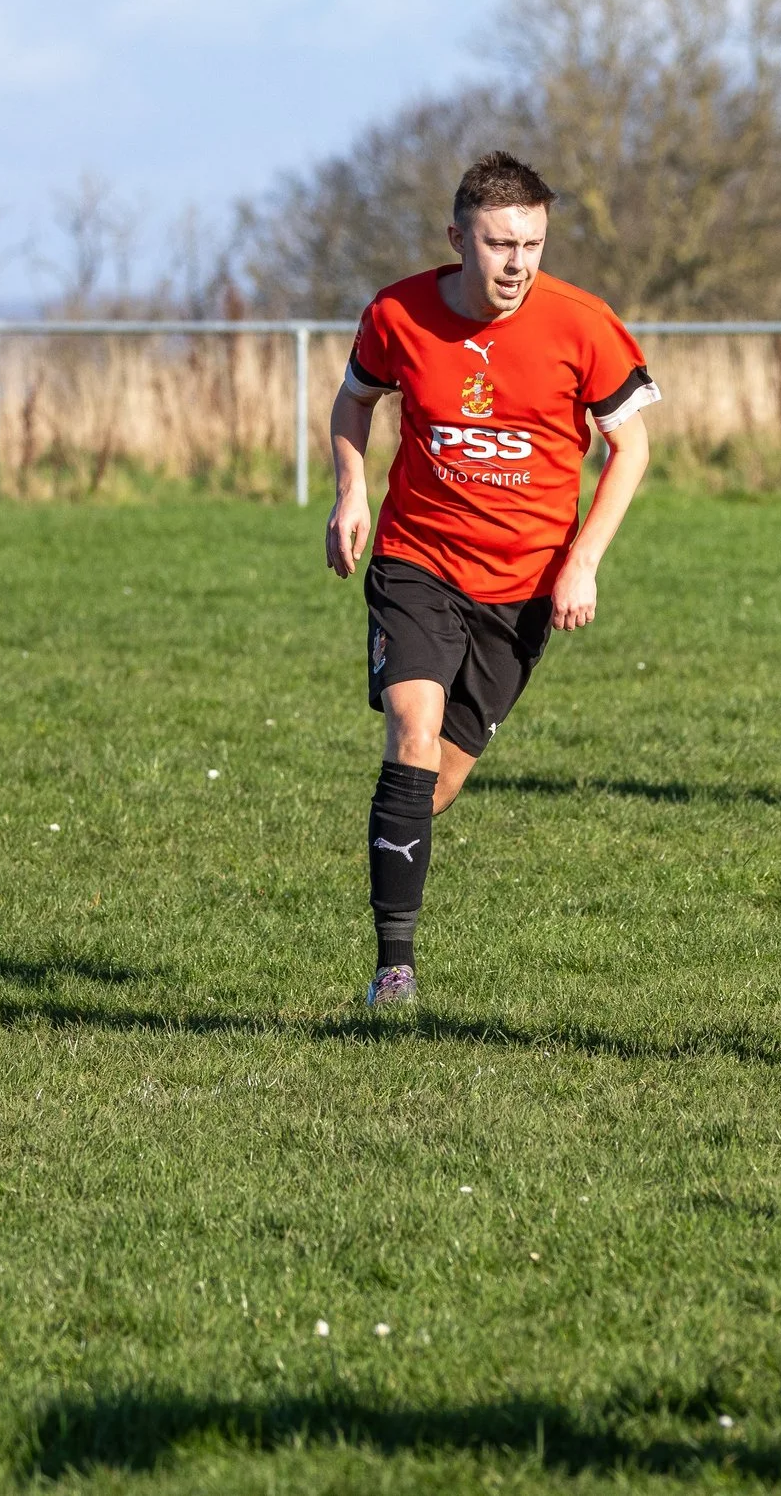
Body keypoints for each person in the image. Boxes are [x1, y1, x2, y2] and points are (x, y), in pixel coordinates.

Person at [326, 151, 659, 1007]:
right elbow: (354, 400)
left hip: (523, 589)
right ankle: (392, 966)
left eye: (533, 244)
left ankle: (393, 835)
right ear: (457, 238)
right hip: (417, 560)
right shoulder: (398, 312)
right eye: (500, 243)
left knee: (434, 781)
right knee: (411, 726)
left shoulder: (581, 323)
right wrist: (350, 492)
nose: (518, 263)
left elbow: (633, 448)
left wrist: (582, 559)